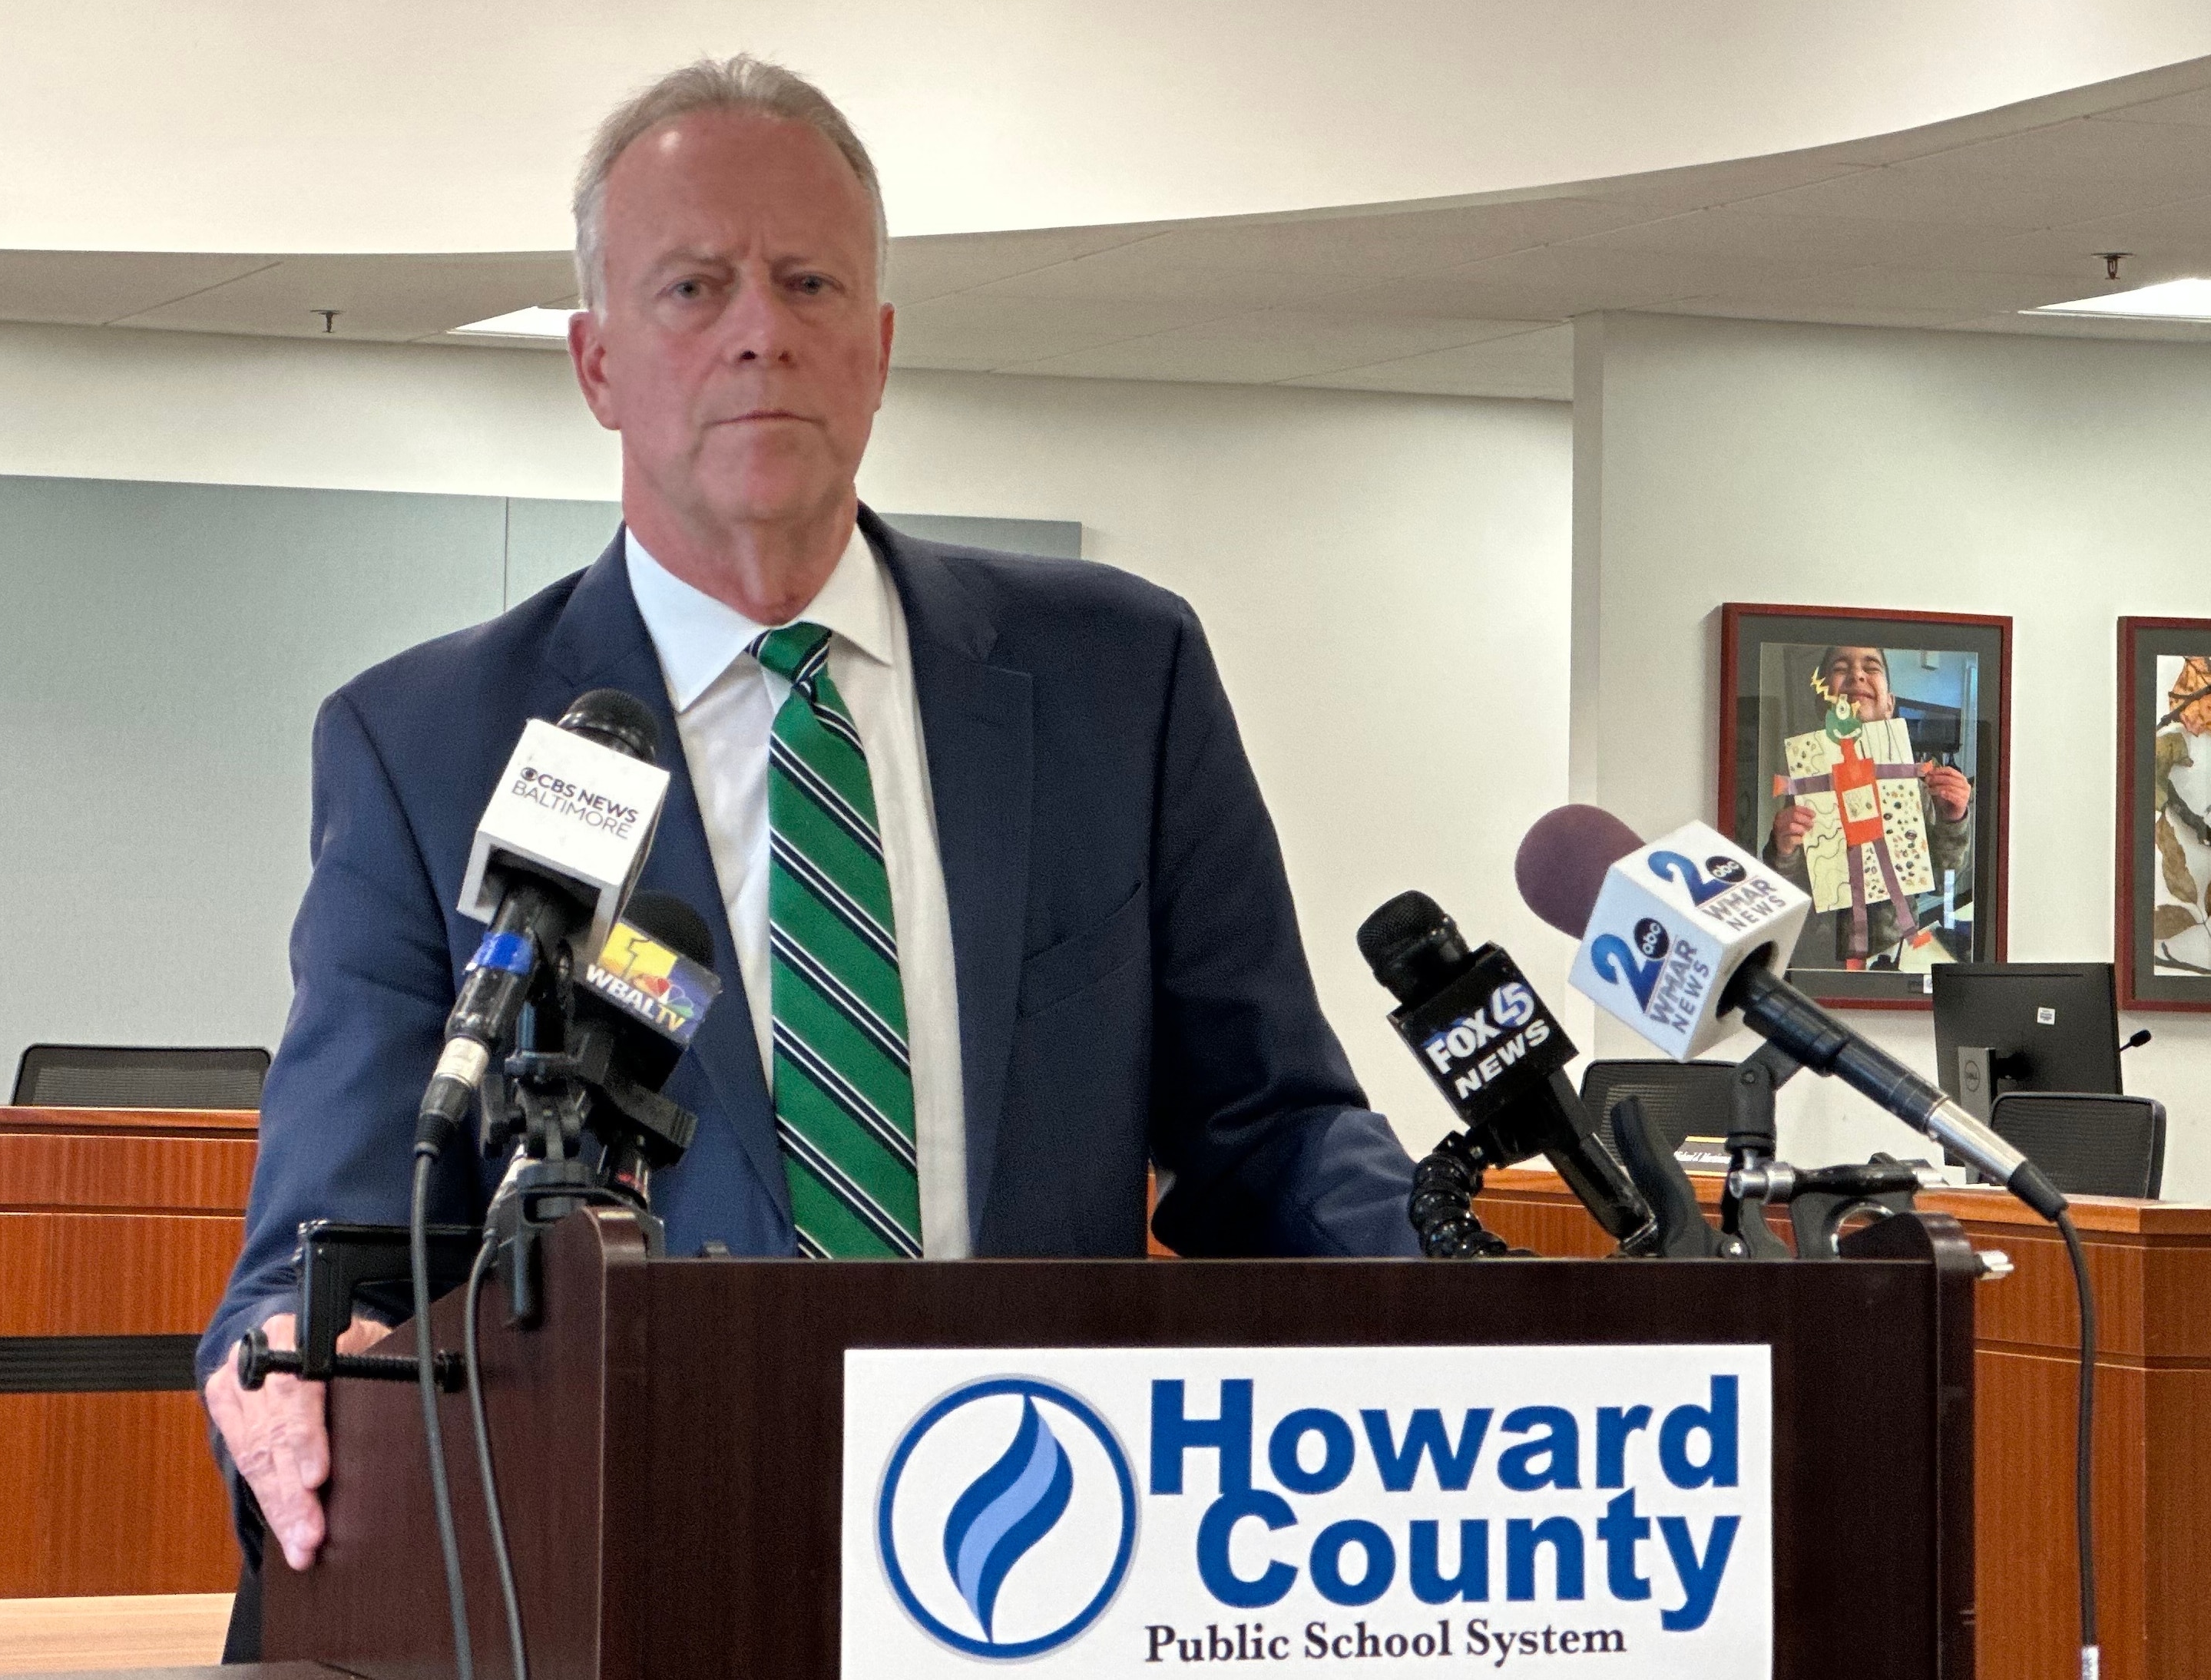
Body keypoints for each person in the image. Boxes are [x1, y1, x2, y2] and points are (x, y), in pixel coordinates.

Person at [197, 52, 1418, 1621]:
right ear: (595, 365)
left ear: (881, 345)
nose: (760, 328)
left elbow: (1270, 1130)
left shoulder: (1121, 677)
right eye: (693, 287)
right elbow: (332, 1230)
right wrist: (277, 1371)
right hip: (632, 1556)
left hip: (1044, 1555)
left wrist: (1515, 1331)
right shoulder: (427, 743)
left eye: (808, 279)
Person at [1762, 645, 1974, 966]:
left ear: (1890, 704)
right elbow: (1790, 892)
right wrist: (1783, 853)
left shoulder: (1912, 787)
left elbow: (1943, 869)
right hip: (1821, 955)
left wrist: (1954, 818)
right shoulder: (1810, 784)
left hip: (1894, 951)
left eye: (1871, 667)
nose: (1857, 674)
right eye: (1840, 667)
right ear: (1823, 701)